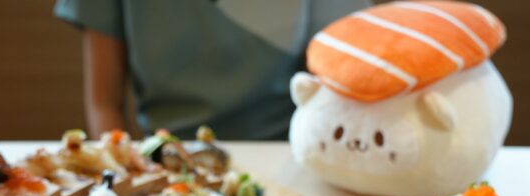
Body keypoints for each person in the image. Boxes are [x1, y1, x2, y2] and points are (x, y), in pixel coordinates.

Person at [54, 0, 369, 140]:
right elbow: (104, 104)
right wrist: (122, 175)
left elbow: (339, 84)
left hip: (285, 150)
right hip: (168, 158)